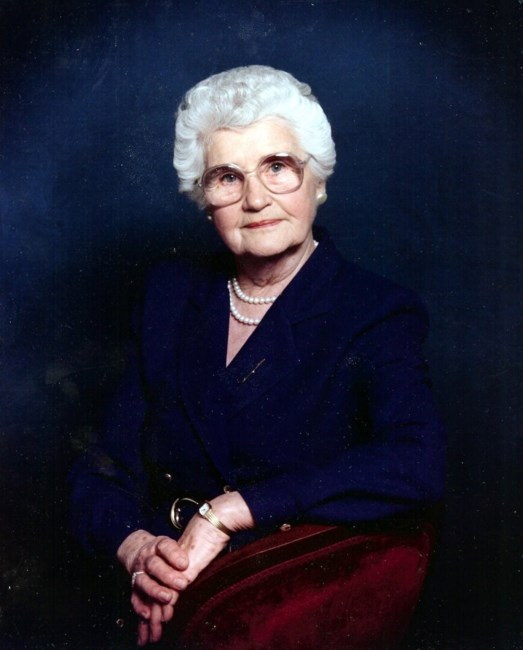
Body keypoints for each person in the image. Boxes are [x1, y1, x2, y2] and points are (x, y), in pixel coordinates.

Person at [69, 65, 445, 646]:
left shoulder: (375, 310)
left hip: (275, 605)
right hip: (166, 590)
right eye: (227, 177)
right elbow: (101, 466)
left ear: (317, 180)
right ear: (204, 199)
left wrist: (230, 511)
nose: (255, 199)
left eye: (277, 167)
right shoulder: (169, 293)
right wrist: (140, 552)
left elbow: (417, 462)